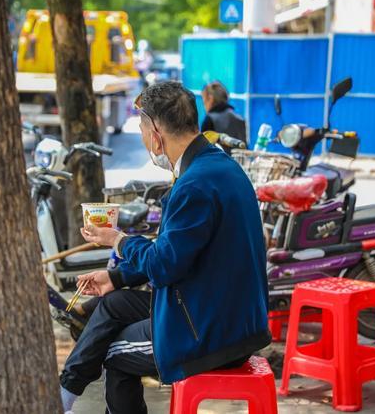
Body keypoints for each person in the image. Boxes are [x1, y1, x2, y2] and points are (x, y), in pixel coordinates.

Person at [59, 81, 270, 414]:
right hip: (226, 312)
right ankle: (64, 395)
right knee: (114, 304)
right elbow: (179, 253)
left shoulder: (194, 185)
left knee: (113, 351)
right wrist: (116, 278)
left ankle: (63, 397)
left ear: (156, 132)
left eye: (143, 132)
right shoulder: (220, 167)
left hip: (212, 331)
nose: (145, 141)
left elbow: (163, 265)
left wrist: (118, 240)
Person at [201, 81, 247, 154]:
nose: (204, 106)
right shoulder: (240, 118)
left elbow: (202, 150)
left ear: (210, 98)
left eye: (204, 101)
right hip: (239, 163)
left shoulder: (210, 119)